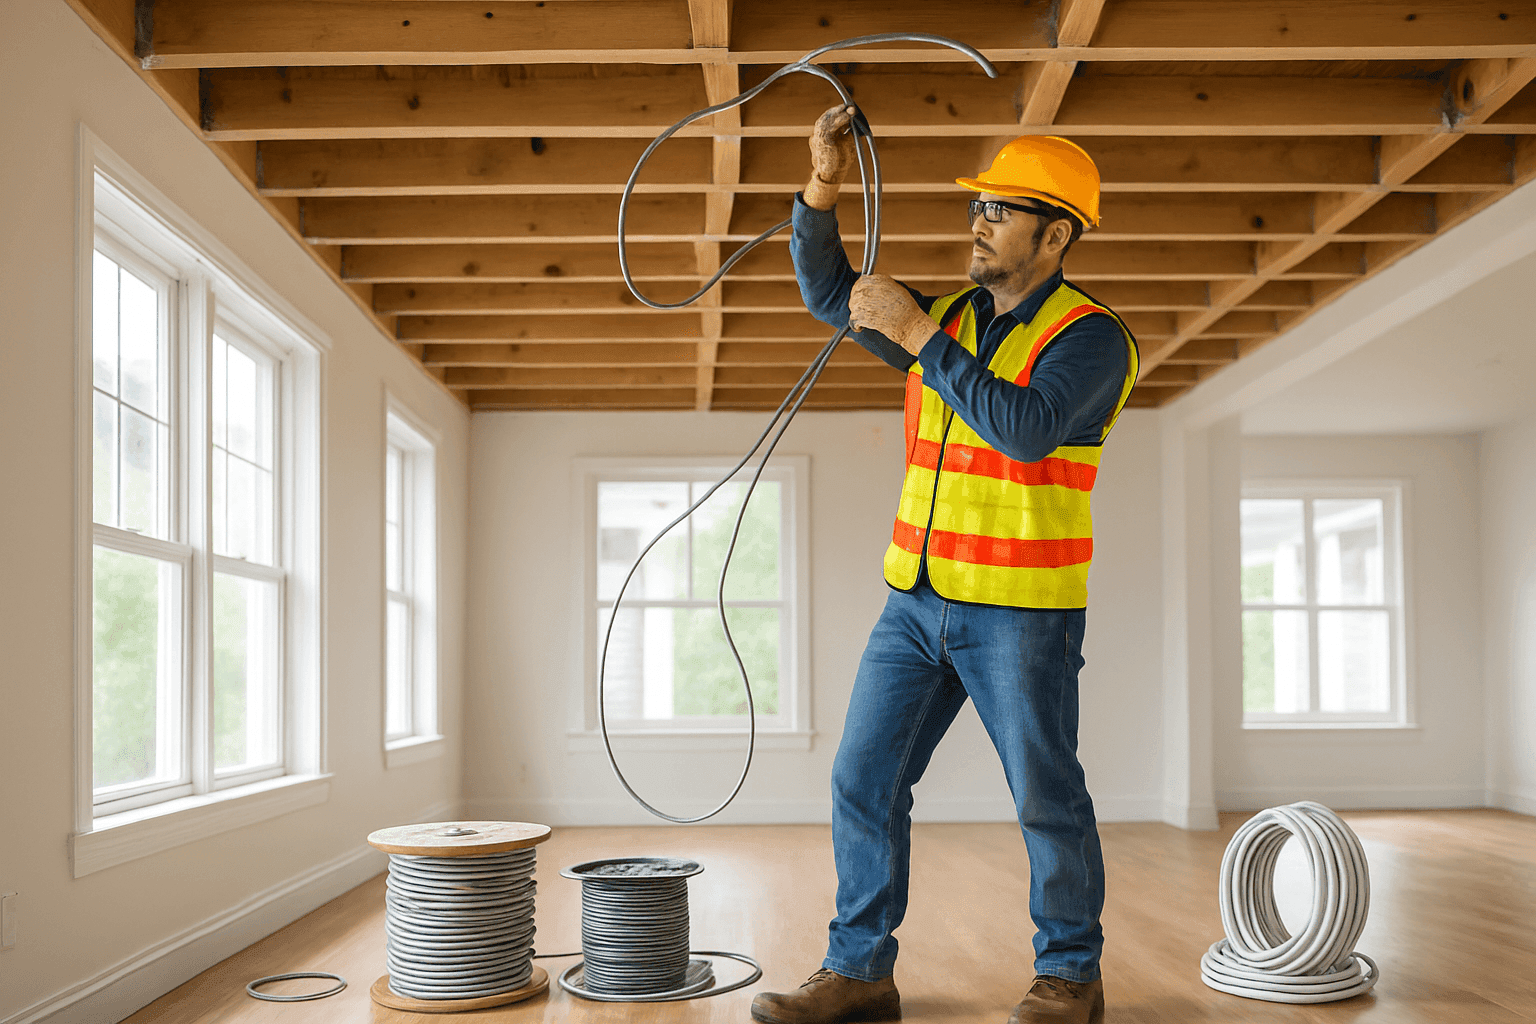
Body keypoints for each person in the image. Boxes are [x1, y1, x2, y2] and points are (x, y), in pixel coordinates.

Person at [748, 107, 1140, 1024]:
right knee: (863, 777)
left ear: (1057, 234)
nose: (980, 220)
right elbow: (826, 292)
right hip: (915, 603)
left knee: (1045, 793)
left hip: (1018, 609)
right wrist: (822, 182)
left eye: (1002, 209)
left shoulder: (1092, 337)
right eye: (982, 205)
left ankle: (1070, 978)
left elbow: (1027, 430)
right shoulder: (957, 315)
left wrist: (922, 337)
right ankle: (860, 972)